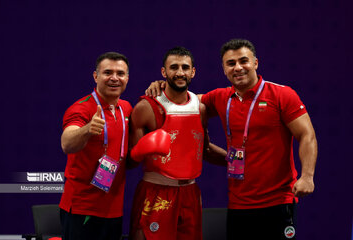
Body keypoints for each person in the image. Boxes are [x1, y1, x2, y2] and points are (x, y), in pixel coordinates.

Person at [145, 39, 318, 239]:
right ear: (224, 69)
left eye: (243, 61)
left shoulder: (281, 94)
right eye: (231, 63)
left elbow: (307, 135)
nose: (238, 67)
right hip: (238, 204)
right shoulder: (220, 98)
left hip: (278, 201)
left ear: (255, 63)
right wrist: (163, 85)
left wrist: (307, 176)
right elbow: (182, 99)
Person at [128, 46, 226, 240]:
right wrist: (140, 150)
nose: (180, 72)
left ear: (193, 72)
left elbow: (204, 150)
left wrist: (240, 161)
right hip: (156, 191)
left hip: (190, 192)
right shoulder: (146, 107)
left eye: (185, 67)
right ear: (164, 72)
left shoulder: (201, 108)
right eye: (174, 67)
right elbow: (130, 161)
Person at [59, 52, 132, 240]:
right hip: (83, 208)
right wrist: (87, 129)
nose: (114, 78)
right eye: (108, 72)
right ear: (95, 76)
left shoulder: (126, 108)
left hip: (114, 208)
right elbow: (67, 143)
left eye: (120, 73)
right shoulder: (81, 108)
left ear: (127, 78)